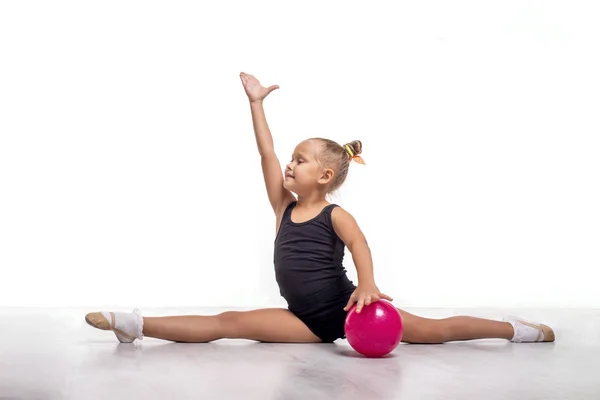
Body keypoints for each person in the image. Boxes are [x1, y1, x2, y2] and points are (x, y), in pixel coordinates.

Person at [85, 72, 555, 345]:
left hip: (351, 312)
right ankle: (135, 324)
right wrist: (255, 105)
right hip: (303, 320)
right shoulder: (282, 207)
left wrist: (367, 285)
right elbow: (266, 155)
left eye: (301, 160)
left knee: (439, 331)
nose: (289, 164)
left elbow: (360, 244)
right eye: (293, 158)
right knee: (228, 324)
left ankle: (516, 330)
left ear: (325, 176)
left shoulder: (335, 215)